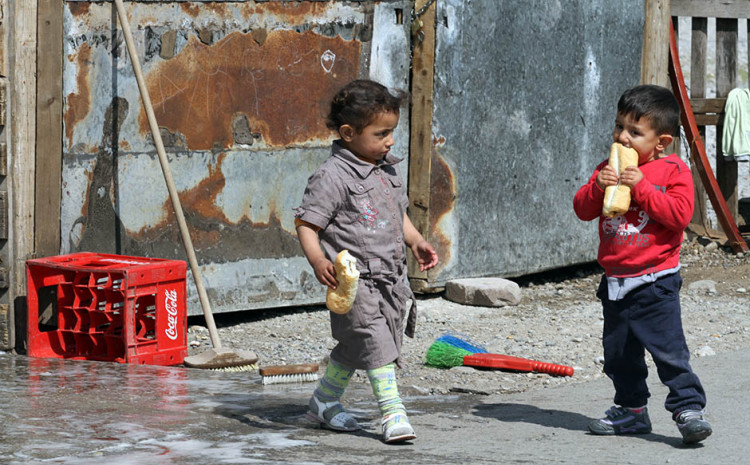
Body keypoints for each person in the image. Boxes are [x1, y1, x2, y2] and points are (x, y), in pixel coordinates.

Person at [294, 79, 439, 444]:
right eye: (382, 133)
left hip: (391, 280)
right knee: (377, 347)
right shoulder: (331, 177)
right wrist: (317, 261)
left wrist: (416, 240)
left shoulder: (386, 168)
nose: (391, 141)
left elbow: (396, 215)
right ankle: (393, 413)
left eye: (393, 132)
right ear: (348, 132)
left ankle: (324, 403)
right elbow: (307, 224)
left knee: (357, 347)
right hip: (357, 285)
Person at [573, 84, 711, 444]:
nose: (623, 137)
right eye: (619, 127)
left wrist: (643, 189)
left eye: (635, 132)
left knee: (669, 351)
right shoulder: (608, 167)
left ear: (661, 142)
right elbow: (583, 209)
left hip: (656, 281)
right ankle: (632, 410)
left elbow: (679, 215)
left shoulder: (672, 171)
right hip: (616, 281)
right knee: (618, 355)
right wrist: (595, 188)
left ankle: (688, 408)